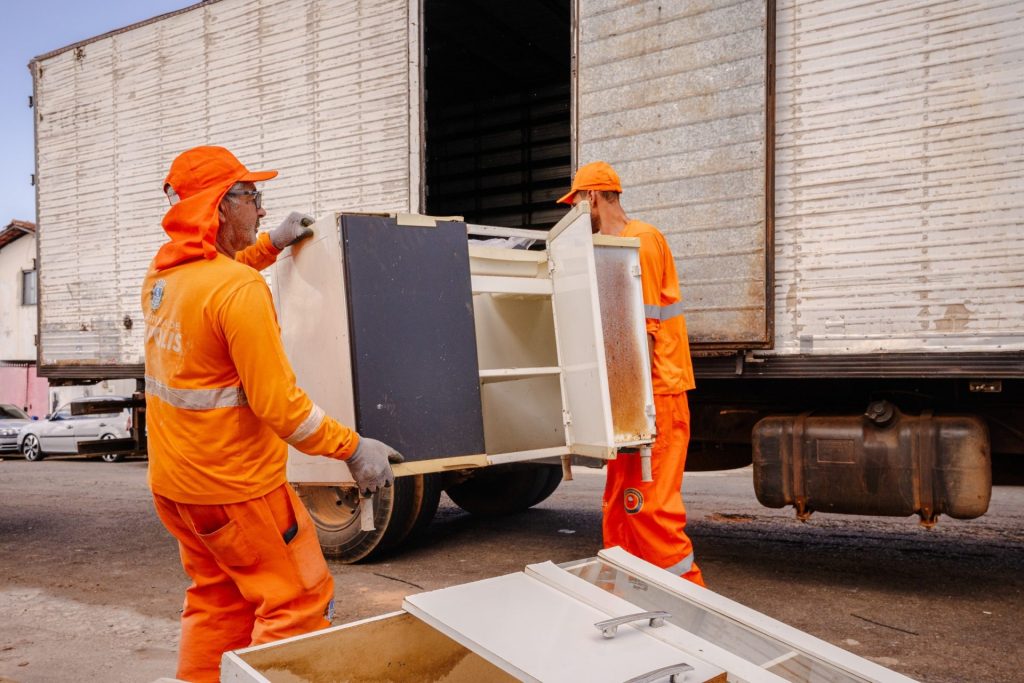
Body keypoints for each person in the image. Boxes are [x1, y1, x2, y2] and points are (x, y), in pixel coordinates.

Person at [142, 145, 402, 682]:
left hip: (178, 487)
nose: (261, 208)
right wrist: (354, 450)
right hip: (238, 492)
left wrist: (270, 245)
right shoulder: (239, 291)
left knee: (219, 603)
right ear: (219, 205)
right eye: (251, 197)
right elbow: (281, 408)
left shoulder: (165, 277)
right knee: (297, 601)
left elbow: (217, 274)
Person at [558, 161, 705, 587]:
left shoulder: (640, 241)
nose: (575, 216)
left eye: (576, 204)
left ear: (593, 198)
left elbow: (644, 333)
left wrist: (637, 410)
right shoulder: (615, 248)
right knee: (622, 506)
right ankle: (623, 596)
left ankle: (693, 604)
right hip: (635, 401)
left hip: (655, 397)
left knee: (651, 509)